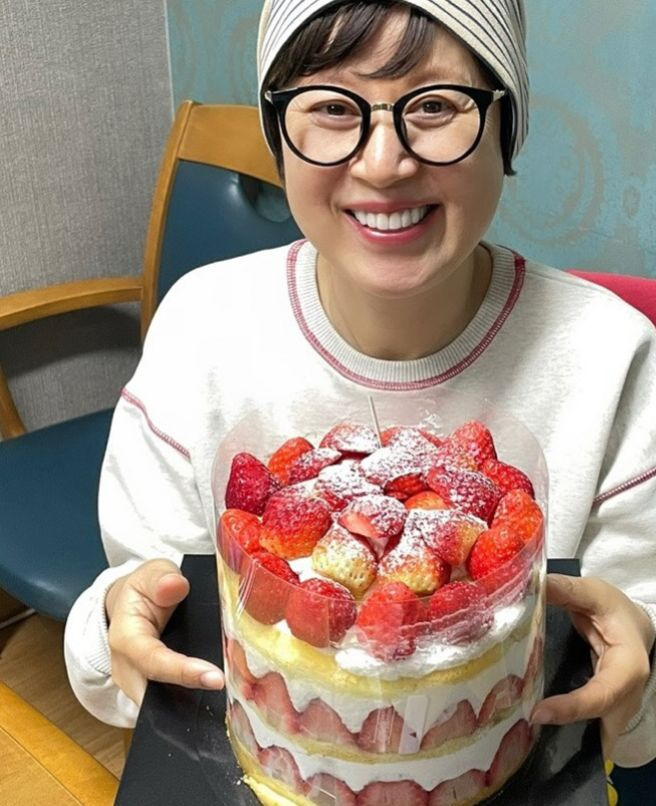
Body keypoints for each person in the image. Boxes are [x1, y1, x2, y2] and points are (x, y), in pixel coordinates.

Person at [64, 0, 656, 768]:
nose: (382, 163)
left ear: (506, 124)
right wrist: (113, 621)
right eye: (333, 107)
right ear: (279, 132)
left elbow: (636, 708)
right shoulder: (200, 332)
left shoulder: (613, 361)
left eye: (435, 105)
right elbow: (129, 629)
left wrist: (639, 671)